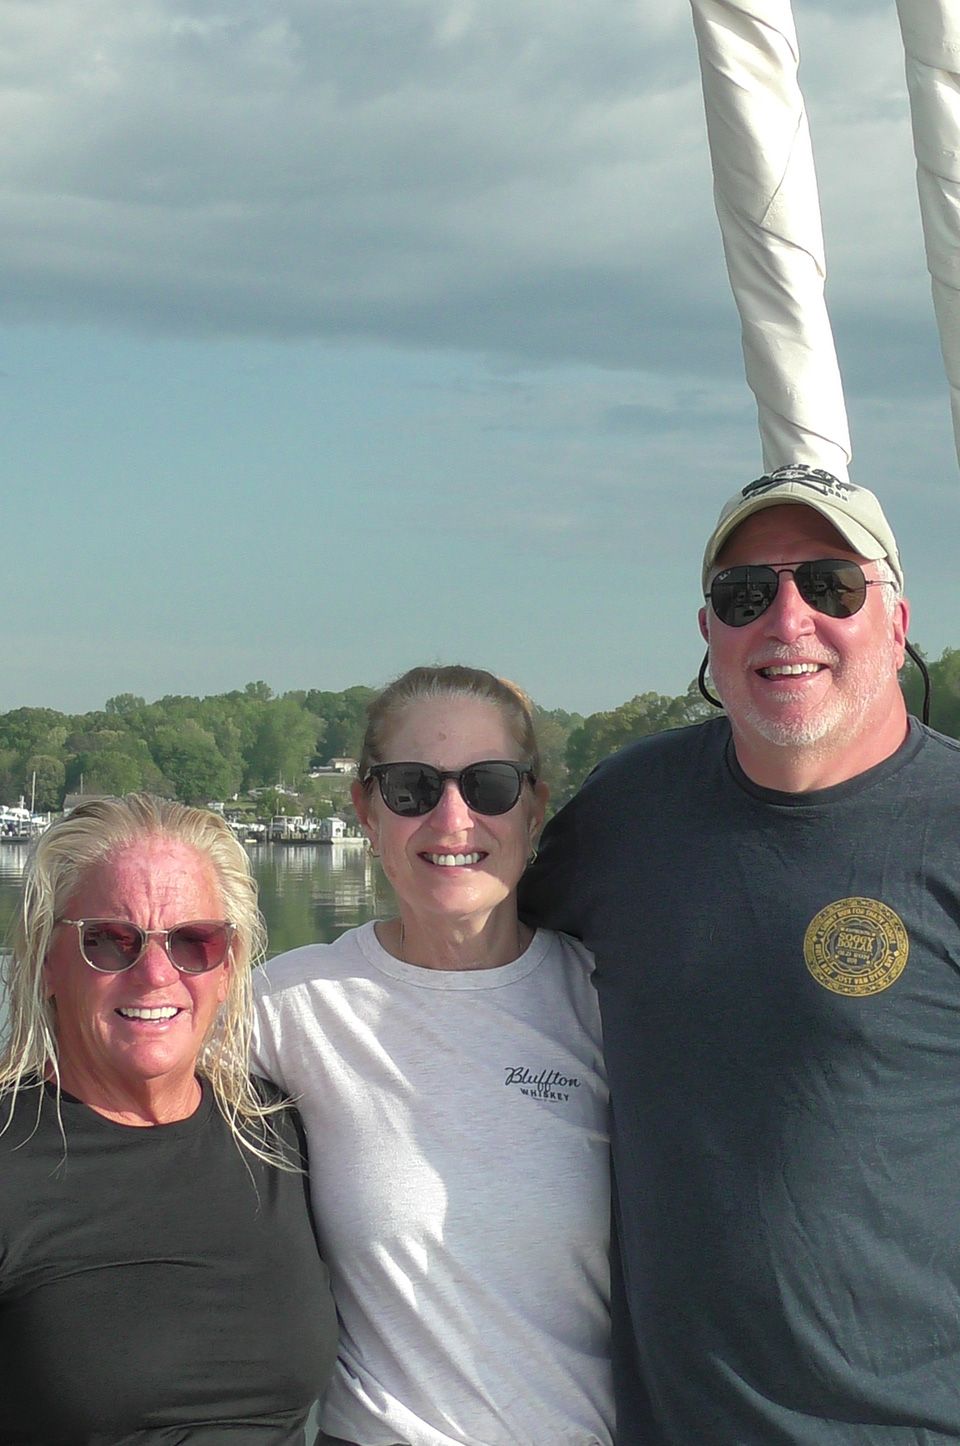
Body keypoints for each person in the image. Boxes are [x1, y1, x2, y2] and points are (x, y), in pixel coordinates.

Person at [520, 463, 960, 1443]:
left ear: (895, 622)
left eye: (832, 585)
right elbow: (470, 961)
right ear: (710, 634)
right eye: (746, 594)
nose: (789, 618)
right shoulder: (627, 815)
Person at [253, 665, 614, 1446]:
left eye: (488, 786)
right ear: (366, 808)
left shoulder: (605, 1003)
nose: (453, 820)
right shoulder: (292, 1004)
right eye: (413, 788)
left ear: (534, 805)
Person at [0, 793, 337, 1446]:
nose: (156, 973)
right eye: (109, 940)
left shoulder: (277, 1137)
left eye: (194, 941)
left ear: (230, 965)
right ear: (47, 963)